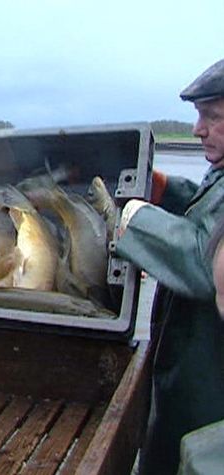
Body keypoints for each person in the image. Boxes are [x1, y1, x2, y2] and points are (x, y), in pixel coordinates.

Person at [116, 58, 224, 475]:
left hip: (209, 392)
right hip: (187, 374)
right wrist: (164, 191)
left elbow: (204, 262)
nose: (198, 129)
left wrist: (131, 218)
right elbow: (208, 215)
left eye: (212, 117)